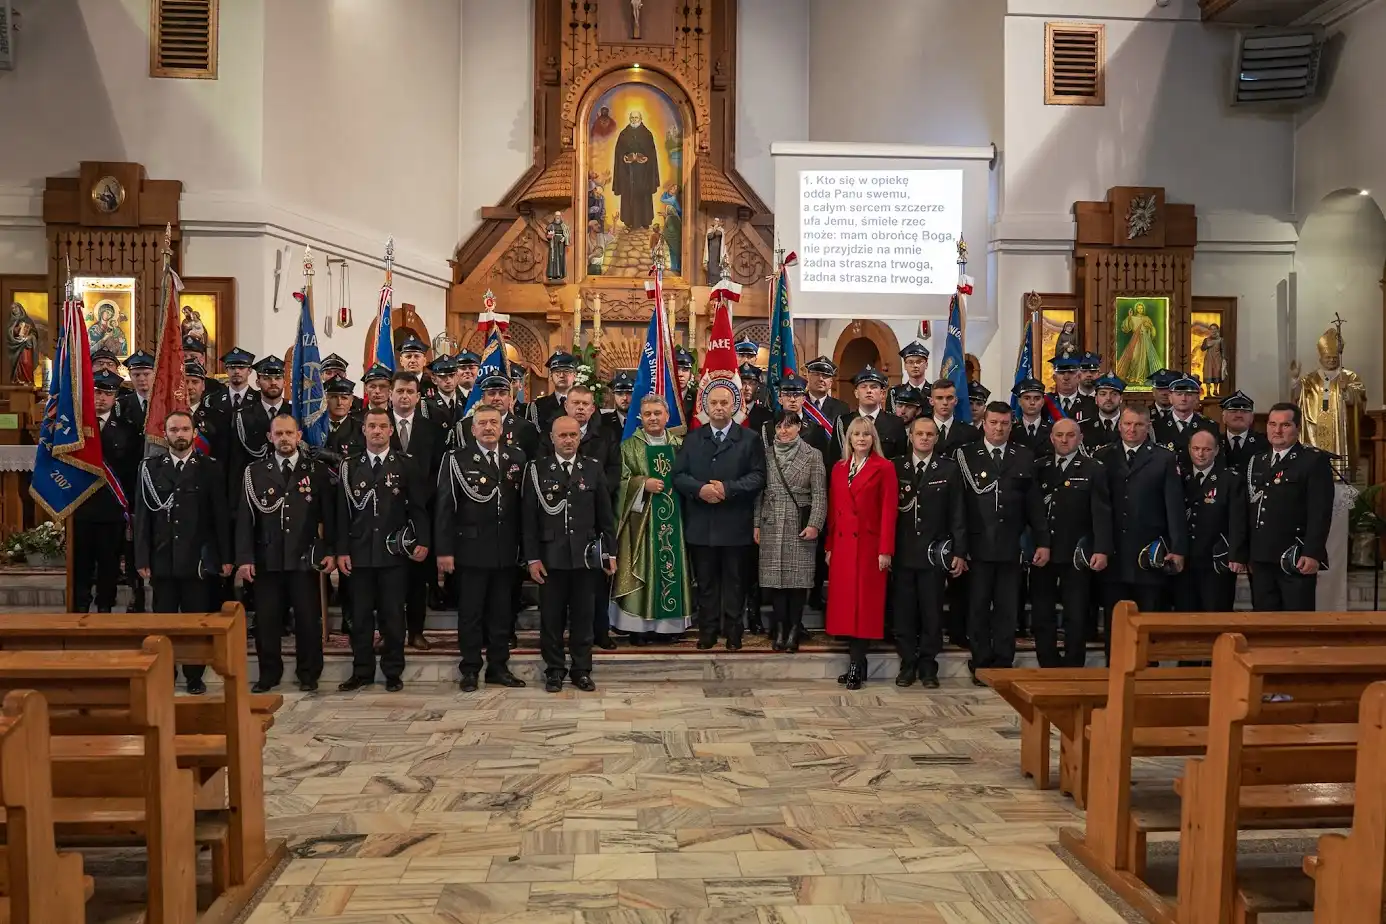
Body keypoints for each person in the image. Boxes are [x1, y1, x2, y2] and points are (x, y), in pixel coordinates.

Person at [133, 410, 232, 695]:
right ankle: (165, 673)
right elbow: (142, 516)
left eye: (185, 429)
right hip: (162, 559)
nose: (180, 435)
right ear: (165, 434)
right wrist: (141, 557)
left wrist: (225, 557)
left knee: (194, 623)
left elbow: (219, 516)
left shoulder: (210, 467)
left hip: (197, 561)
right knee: (163, 622)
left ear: (194, 433)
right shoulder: (149, 468)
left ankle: (193, 675)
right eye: (174, 429)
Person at [235, 412, 333, 693]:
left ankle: (309, 673)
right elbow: (245, 519)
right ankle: (269, 674)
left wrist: (329, 550)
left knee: (307, 620)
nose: (284, 439)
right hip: (267, 560)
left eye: (289, 433)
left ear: (299, 436)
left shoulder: (315, 470)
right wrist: (244, 558)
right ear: (270, 437)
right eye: (278, 434)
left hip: (304, 559)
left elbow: (329, 515)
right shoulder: (254, 472)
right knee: (267, 621)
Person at [336, 408, 430, 692]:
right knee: (361, 617)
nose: (377, 431)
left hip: (393, 554)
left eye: (382, 426)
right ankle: (362, 671)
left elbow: (418, 507)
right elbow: (342, 513)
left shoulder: (405, 464)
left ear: (391, 431)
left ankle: (392, 671)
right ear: (363, 430)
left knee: (392, 616)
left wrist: (423, 541)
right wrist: (341, 550)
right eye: (371, 426)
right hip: (360, 553)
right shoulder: (349, 466)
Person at [956, 402, 1050, 681]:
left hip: (1012, 546)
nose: (999, 428)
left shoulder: (1023, 455)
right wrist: (960, 548)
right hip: (978, 545)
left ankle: (1003, 661)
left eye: (1005, 423)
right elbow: (959, 506)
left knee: (1008, 608)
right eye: (994, 422)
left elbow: (1034, 505)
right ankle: (982, 661)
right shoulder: (967, 455)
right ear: (983, 423)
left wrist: (1042, 542)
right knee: (978, 607)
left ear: (1012, 425)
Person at [436, 404, 527, 691]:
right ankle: (471, 669)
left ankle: (499, 667)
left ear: (502, 428)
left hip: (506, 551)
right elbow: (444, 508)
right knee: (471, 614)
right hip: (470, 550)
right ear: (472, 429)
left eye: (494, 423)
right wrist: (444, 550)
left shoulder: (517, 457)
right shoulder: (456, 459)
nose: (489, 427)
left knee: (502, 614)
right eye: (483, 423)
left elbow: (524, 507)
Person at [524, 416, 618, 692]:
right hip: (550, 559)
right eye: (562, 435)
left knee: (583, 618)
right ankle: (554, 670)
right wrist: (532, 558)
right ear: (551, 438)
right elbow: (529, 520)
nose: (568, 440)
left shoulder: (592, 469)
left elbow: (605, 517)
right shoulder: (537, 470)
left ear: (580, 437)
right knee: (551, 618)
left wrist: (609, 552)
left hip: (585, 558)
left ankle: (581, 669)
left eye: (573, 435)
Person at [673, 381, 767, 650]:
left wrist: (727, 488)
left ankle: (734, 631)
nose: (718, 408)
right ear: (705, 406)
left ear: (734, 406)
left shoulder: (749, 439)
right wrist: (700, 489)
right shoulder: (692, 438)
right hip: (701, 524)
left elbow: (758, 477)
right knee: (706, 583)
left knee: (735, 583)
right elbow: (678, 475)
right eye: (713, 403)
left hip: (735, 523)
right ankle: (708, 630)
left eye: (724, 403)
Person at [1232, 402, 1334, 611]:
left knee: (1297, 623)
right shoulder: (1258, 461)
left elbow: (1320, 512)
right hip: (1260, 557)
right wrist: (1243, 552)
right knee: (1264, 620)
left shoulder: (1312, 461)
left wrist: (1312, 552)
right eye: (1272, 424)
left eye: (1285, 425)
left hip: (1295, 555)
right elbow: (1249, 509)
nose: (1277, 431)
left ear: (1298, 428)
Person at [1092, 406, 1187, 627]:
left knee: (1147, 622)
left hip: (1149, 553)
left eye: (1138, 424)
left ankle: (1145, 664)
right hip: (1113, 553)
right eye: (1127, 424)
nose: (1132, 429)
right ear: (1119, 425)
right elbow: (1096, 507)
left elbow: (1174, 507)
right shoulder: (1103, 456)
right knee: (1114, 623)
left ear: (1148, 427)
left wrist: (1178, 549)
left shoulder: (1164, 458)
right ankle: (1114, 663)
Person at [891, 417, 966, 688]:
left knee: (932, 612)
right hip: (902, 552)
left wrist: (959, 550)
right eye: (919, 433)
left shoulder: (948, 468)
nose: (924, 438)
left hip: (934, 554)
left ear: (937, 438)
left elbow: (958, 512)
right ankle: (907, 663)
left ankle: (928, 665)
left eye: (930, 434)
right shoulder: (896, 466)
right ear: (910, 436)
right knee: (904, 612)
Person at [1031, 419, 1111, 668]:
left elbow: (1101, 512)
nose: (1064, 440)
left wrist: (1101, 549)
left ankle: (1074, 665)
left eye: (1070, 435)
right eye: (1059, 435)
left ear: (1080, 438)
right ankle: (1048, 662)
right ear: (1051, 438)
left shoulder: (1093, 468)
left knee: (1075, 614)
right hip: (1043, 551)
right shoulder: (1039, 467)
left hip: (1077, 553)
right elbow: (1032, 511)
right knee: (1042, 613)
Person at [826, 417, 899, 690]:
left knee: (863, 609)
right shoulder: (839, 468)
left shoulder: (885, 468)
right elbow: (834, 511)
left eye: (866, 434)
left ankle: (857, 664)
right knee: (847, 609)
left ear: (873, 439)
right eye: (856, 434)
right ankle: (856, 664)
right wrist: (830, 546)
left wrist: (885, 550)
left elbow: (889, 512)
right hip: (844, 548)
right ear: (848, 439)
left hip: (869, 548)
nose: (861, 439)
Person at [612, 395, 693, 642]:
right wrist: (641, 484)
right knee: (643, 569)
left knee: (670, 568)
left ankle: (668, 627)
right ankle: (638, 627)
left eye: (658, 413)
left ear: (667, 416)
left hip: (674, 521)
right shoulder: (629, 446)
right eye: (647, 414)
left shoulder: (679, 445)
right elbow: (619, 483)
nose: (653, 418)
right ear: (641, 417)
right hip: (641, 524)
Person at [549, 385, 621, 649]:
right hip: (559, 515)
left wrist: (596, 490)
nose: (580, 408)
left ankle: (600, 633)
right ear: (566, 406)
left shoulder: (606, 434)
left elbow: (614, 469)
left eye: (585, 404)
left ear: (593, 408)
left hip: (596, 513)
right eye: (575, 403)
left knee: (596, 584)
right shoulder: (554, 431)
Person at [756, 409, 827, 652]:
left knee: (798, 581)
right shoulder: (766, 455)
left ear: (799, 427)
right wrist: (756, 524)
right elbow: (759, 493)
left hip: (799, 522)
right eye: (779, 426)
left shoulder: (813, 455)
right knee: (775, 581)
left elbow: (820, 494)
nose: (784, 431)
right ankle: (780, 628)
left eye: (789, 425)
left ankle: (794, 628)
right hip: (772, 521)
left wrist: (814, 524)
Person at [72, 370, 140, 613]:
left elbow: (132, 472)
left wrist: (131, 508)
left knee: (109, 564)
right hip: (80, 507)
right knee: (81, 564)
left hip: (112, 509)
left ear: (115, 397)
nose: (100, 398)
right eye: (96, 392)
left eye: (107, 394)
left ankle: (104, 609)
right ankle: (79, 607)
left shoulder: (127, 430)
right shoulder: (75, 428)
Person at [389, 370, 446, 650]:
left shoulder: (432, 429)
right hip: (386, 516)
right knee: (389, 583)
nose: (404, 396)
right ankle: (392, 635)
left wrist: (421, 500)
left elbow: (438, 471)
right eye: (400, 391)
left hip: (422, 512)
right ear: (391, 394)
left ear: (418, 396)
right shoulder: (378, 425)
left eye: (410, 392)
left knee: (417, 580)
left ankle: (416, 632)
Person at [1177, 429, 1244, 615]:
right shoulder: (1179, 477)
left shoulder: (1230, 480)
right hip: (1186, 559)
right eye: (1196, 448)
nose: (1200, 454)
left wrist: (1235, 555)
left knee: (1216, 612)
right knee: (1186, 614)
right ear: (1189, 449)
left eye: (1206, 449)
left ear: (1216, 451)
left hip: (1216, 559)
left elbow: (1237, 520)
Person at [1291, 324, 1368, 475]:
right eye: (1328, 357)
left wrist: (1347, 390)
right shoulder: (1310, 379)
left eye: (1334, 357)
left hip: (1339, 430)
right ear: (1321, 358)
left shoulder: (1350, 377)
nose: (1331, 360)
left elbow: (1360, 400)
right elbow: (1298, 399)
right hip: (1315, 429)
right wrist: (1295, 379)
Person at [831, 366, 907, 463]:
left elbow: (901, 460)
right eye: (863, 387)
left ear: (882, 394)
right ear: (856, 393)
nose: (869, 391)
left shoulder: (895, 423)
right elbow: (835, 460)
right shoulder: (843, 422)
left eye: (874, 387)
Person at [613, 111, 660, 229]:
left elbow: (652, 154)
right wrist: (624, 157)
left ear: (641, 118)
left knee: (643, 196)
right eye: (632, 118)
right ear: (629, 119)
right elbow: (619, 152)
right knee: (628, 196)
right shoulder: (623, 134)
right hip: (628, 172)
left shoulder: (647, 134)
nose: (634, 120)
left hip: (643, 173)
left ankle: (645, 221)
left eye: (636, 117)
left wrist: (645, 158)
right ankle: (629, 221)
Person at [1152, 374, 1218, 454]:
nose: (1183, 399)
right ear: (1170, 398)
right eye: (1179, 394)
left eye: (1189, 394)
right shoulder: (1156, 426)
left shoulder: (1209, 426)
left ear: (1197, 398)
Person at [529, 350, 579, 435]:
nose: (562, 375)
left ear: (574, 375)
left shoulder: (584, 404)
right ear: (551, 376)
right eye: (557, 372)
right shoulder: (538, 406)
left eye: (566, 371)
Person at [1218, 390, 1266, 475]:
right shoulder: (1215, 442)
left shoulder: (1265, 443)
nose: (1239, 415)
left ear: (1252, 417)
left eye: (1244, 411)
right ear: (1223, 417)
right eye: (1233, 411)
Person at [1114, 301, 1162, 386]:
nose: (1140, 309)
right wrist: (1129, 316)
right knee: (1134, 357)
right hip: (1135, 340)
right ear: (1136, 309)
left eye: (1141, 308)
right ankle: (1133, 376)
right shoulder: (1132, 318)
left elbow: (1153, 330)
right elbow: (1125, 328)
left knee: (1144, 358)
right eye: (1138, 308)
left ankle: (1141, 378)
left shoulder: (1146, 318)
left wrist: (1150, 327)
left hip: (1145, 340)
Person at [928, 378, 978, 456]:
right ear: (931, 401)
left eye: (949, 398)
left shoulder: (970, 431)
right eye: (939, 398)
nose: (945, 402)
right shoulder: (920, 429)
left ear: (956, 401)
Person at [1082, 374, 1125, 452]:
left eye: (1114, 394)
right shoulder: (1082, 427)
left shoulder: (1131, 426)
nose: (1108, 398)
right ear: (1096, 399)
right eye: (1103, 394)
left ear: (1121, 399)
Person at [804, 356, 850, 428]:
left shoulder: (842, 408)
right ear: (808, 377)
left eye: (825, 376)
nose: (821, 379)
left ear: (831, 382)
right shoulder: (799, 403)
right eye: (816, 374)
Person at [1047, 355, 1095, 423]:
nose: (1066, 378)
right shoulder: (1046, 403)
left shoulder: (1091, 404)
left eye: (1071, 372)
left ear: (1079, 377)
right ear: (1054, 378)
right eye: (1061, 373)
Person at [423, 355, 464, 433]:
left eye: (451, 375)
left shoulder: (465, 401)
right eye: (443, 376)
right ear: (434, 380)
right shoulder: (427, 405)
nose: (448, 380)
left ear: (457, 377)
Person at [888, 342, 931, 415]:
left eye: (919, 362)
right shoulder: (895, 392)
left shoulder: (934, 391)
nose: (915, 365)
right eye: (910, 362)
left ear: (926, 365)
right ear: (905, 366)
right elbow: (891, 419)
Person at [1011, 378, 1052, 453]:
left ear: (1043, 402)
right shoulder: (1010, 431)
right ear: (1019, 402)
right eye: (1027, 398)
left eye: (1037, 398)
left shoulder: (1053, 430)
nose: (1032, 402)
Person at [222, 348, 259, 413]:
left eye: (241, 368)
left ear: (249, 371)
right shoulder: (214, 399)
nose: (236, 371)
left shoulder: (259, 399)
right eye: (232, 368)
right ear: (226, 371)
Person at [1199, 323, 1227, 395]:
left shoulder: (1220, 340)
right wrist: (1207, 345)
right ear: (1209, 330)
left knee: (1216, 373)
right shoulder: (1206, 340)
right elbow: (1202, 349)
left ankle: (1215, 390)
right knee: (1208, 373)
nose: (1213, 331)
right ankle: (1208, 391)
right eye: (1211, 329)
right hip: (1209, 359)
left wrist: (1224, 359)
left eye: (1215, 329)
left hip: (1217, 359)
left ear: (1217, 330)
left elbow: (1223, 350)